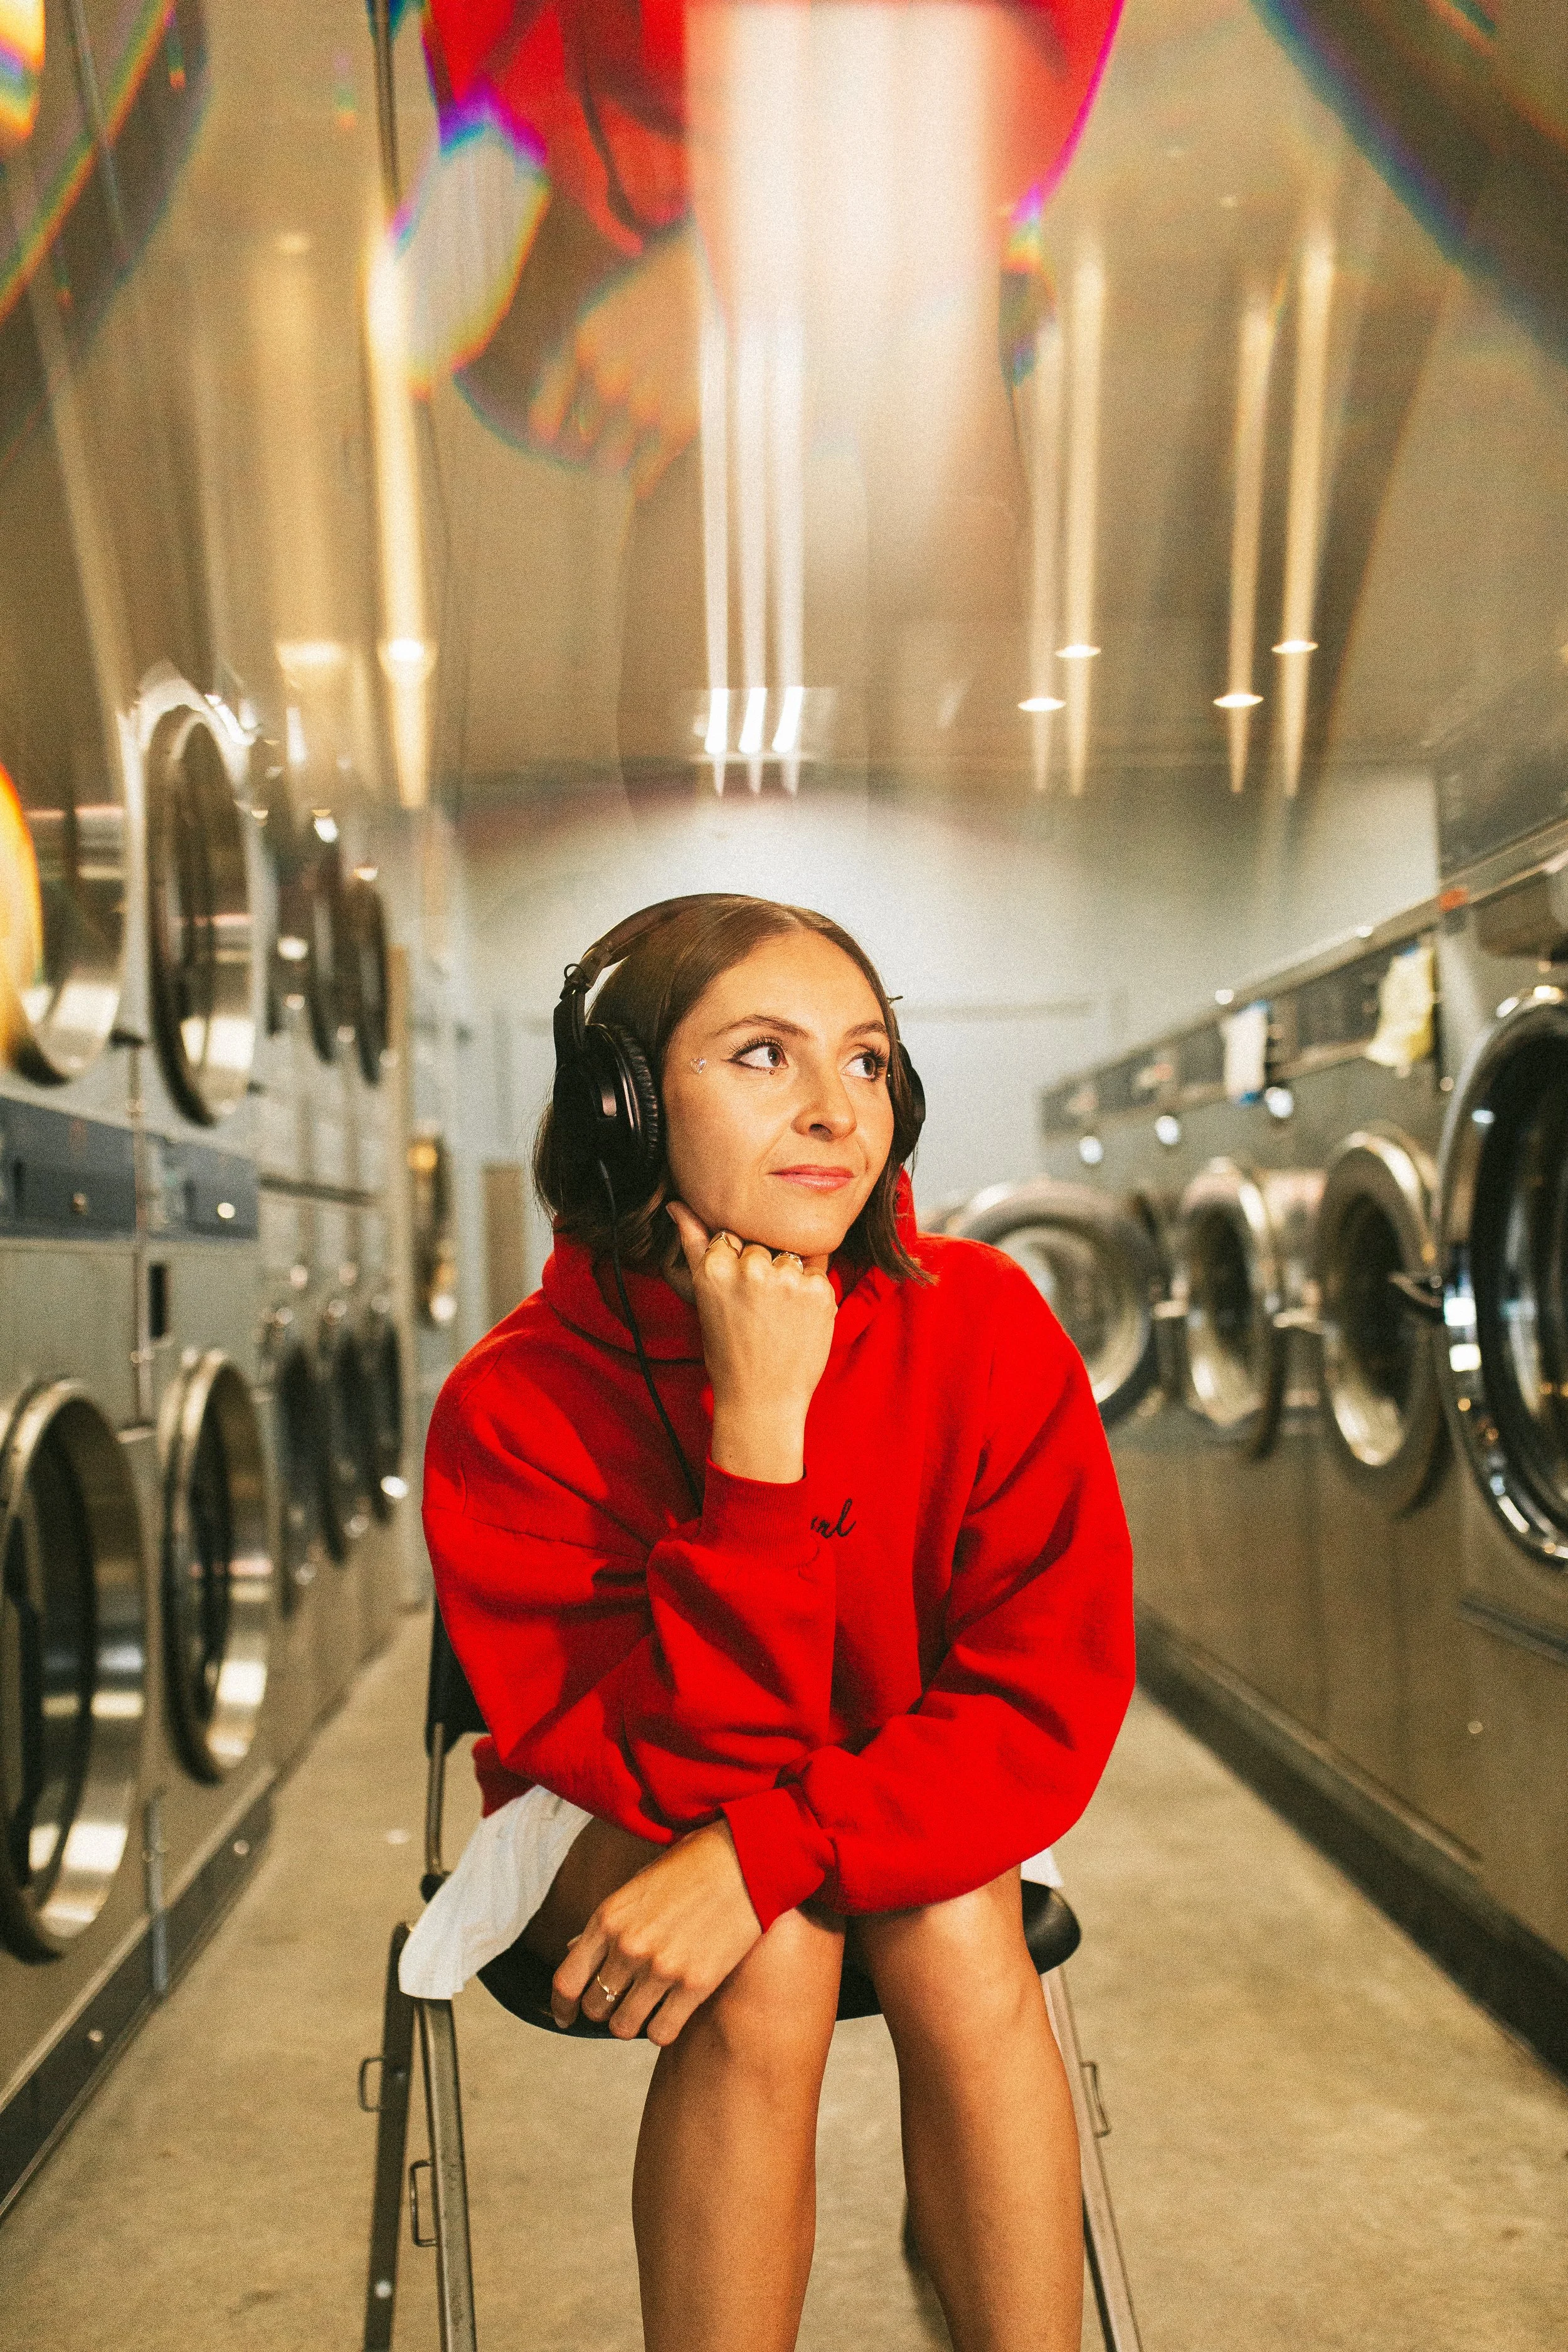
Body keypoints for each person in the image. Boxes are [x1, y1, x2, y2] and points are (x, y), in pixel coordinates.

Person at [418, 892, 1135, 2352]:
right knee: (776, 1952)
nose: (832, 1112)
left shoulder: (985, 1324)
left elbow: (1038, 1704)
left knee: (950, 1909)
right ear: (622, 1107)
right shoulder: (517, 1404)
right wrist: (759, 1433)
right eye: (761, 1055)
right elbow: (662, 1767)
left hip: (881, 1782)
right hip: (607, 1803)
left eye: (866, 1062)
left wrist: (778, 1846)